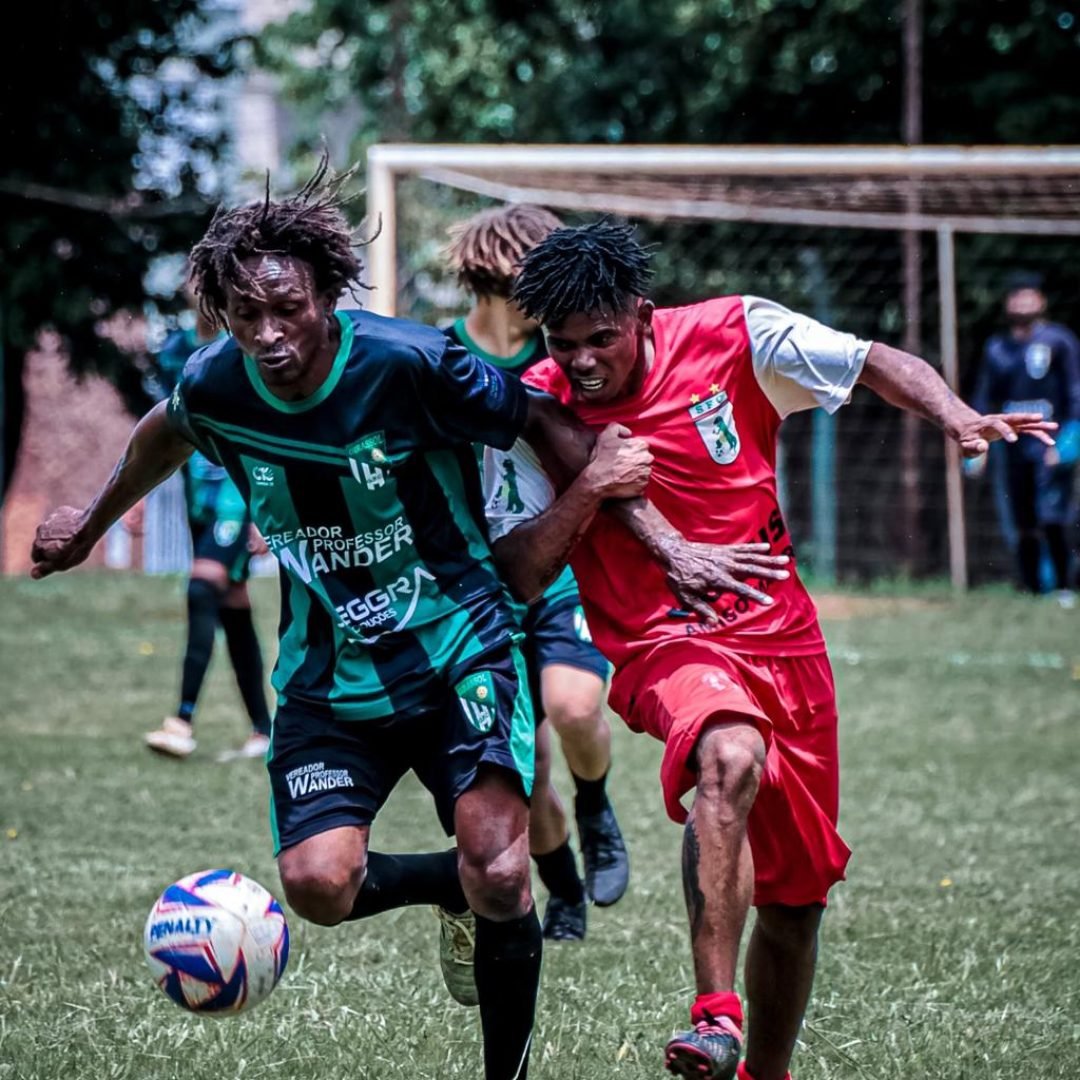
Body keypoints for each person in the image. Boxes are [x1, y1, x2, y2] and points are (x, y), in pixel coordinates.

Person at [29, 166, 776, 1079]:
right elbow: (164, 431)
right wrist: (88, 526)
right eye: (245, 314)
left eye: (287, 309)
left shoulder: (411, 361)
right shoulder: (217, 382)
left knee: (503, 871)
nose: (267, 335)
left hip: (459, 645)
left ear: (327, 296)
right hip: (327, 673)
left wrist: (660, 540)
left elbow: (541, 414)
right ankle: (449, 890)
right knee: (316, 887)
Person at [481, 220, 1056, 1080]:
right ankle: (715, 1015)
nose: (585, 363)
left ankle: (762, 1072)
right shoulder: (535, 406)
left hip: (785, 642)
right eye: (566, 347)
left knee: (796, 902)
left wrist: (955, 413)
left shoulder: (735, 333)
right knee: (728, 754)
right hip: (659, 643)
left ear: (642, 315)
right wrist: (592, 485)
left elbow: (872, 363)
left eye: (602, 340)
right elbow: (519, 572)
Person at [445, 203, 628, 941]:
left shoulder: (564, 362)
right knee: (529, 769)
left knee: (577, 706)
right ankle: (564, 891)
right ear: (498, 280)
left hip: (560, 572)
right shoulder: (441, 359)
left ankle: (600, 808)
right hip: (482, 586)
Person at [136, 290, 274, 761]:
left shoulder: (252, 350)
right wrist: (130, 497)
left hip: (238, 496)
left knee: (202, 587)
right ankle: (264, 729)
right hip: (198, 495)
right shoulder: (176, 350)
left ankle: (182, 720)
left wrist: (266, 509)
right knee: (232, 605)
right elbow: (159, 426)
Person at [971, 271, 1080, 603]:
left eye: (1029, 295)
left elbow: (1075, 394)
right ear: (1008, 303)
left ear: (1042, 301)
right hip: (1012, 447)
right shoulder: (997, 348)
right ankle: (1032, 589)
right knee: (1023, 523)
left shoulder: (1060, 342)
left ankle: (1063, 587)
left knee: (1053, 517)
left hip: (1050, 444)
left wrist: (1069, 443)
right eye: (1016, 296)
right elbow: (984, 400)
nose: (1023, 302)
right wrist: (979, 446)